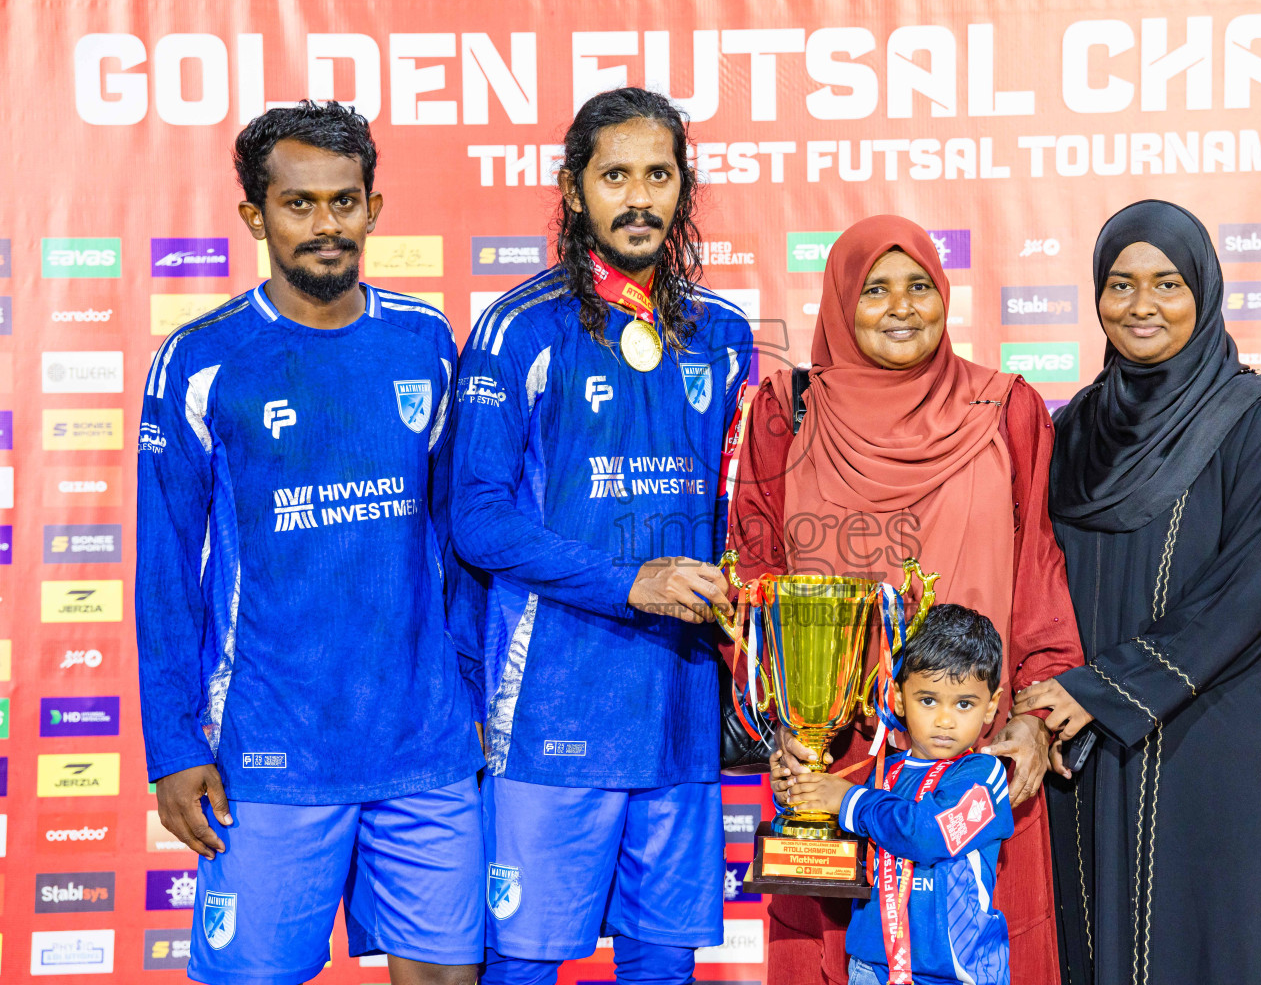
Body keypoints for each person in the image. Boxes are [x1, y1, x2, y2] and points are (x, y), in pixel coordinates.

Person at [135, 101, 483, 985]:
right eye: (299, 204)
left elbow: (459, 539)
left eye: (343, 201)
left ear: (373, 208)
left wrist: (473, 689)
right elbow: (166, 573)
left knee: (447, 976)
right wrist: (174, 747)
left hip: (424, 743)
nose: (326, 225)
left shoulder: (425, 342)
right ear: (255, 216)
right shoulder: (202, 359)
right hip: (268, 747)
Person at [447, 86, 753, 985]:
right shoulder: (518, 329)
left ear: (683, 189)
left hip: (679, 708)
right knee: (523, 966)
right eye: (615, 176)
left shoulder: (724, 335)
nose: (639, 197)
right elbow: (477, 517)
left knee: (663, 966)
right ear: (573, 190)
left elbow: (740, 514)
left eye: (658, 175)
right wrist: (630, 582)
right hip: (552, 705)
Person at [731, 214, 1082, 984]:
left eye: (919, 285)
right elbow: (755, 570)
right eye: (874, 289)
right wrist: (782, 723)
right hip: (835, 759)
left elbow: (1039, 573)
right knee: (836, 955)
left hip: (971, 748)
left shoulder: (1004, 408)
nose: (900, 307)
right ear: (839, 302)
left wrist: (1032, 717)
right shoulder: (786, 409)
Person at [1017, 199, 1261, 985]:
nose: (1141, 305)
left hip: (1218, 738)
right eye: (1120, 284)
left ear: (1203, 290)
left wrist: (1103, 687)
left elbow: (1251, 594)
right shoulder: (1074, 430)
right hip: (1095, 742)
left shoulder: (1260, 426)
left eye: (1166, 283)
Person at [788, 605, 1015, 985]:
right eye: (928, 700)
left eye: (964, 704)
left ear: (991, 705)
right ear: (897, 697)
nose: (945, 720)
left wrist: (848, 800)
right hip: (870, 969)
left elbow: (929, 834)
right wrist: (802, 794)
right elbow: (846, 848)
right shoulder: (884, 773)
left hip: (954, 976)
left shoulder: (984, 776)